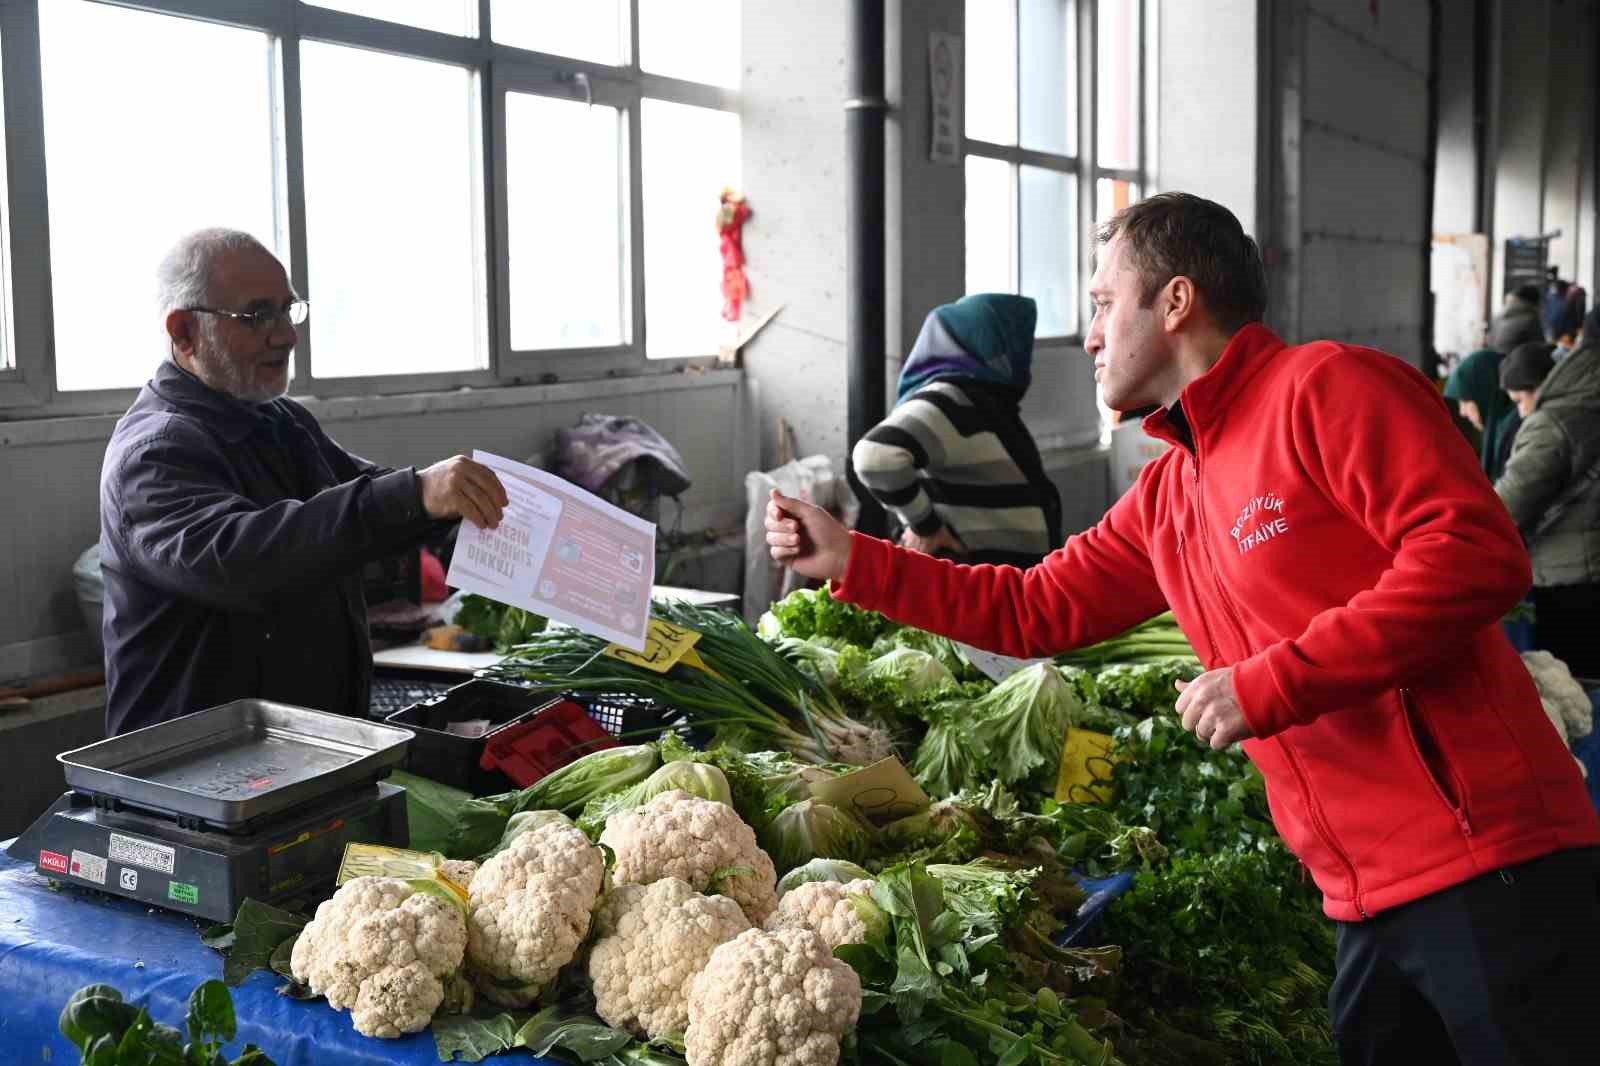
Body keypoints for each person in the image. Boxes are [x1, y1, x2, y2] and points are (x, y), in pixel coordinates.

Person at [766, 193, 1600, 1065]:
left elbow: (1475, 555)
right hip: (1361, 893)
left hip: (1488, 863)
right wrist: (854, 560)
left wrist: (1269, 681)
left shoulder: (1327, 388)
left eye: (1100, 303)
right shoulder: (1171, 491)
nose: (1088, 335)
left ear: (1174, 301)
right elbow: (1032, 609)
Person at [99, 228, 509, 736]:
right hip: (195, 771)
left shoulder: (278, 421)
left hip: (296, 751)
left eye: (287, 310)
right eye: (257, 316)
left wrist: (485, 520)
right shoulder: (155, 452)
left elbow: (374, 500)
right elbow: (245, 563)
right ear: (184, 331)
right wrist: (417, 494)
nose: (286, 335)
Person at [850, 293, 1062, 566]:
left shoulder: (984, 401)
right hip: (974, 590)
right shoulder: (948, 398)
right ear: (991, 342)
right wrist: (926, 526)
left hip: (1004, 589)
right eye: (1017, 343)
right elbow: (876, 455)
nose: (1024, 359)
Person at [1494, 339, 1600, 679]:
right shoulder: (1589, 402)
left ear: (1540, 385)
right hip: (1588, 563)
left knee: (1574, 681)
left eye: (1521, 400)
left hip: (1568, 574)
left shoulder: (1551, 424)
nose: (1521, 412)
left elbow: (1508, 505)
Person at [1442, 347, 1519, 481]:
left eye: (1464, 401)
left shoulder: (1515, 431)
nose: (1462, 412)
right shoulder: (1500, 432)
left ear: (1482, 391)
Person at [1490, 283, 1546, 353]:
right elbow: (1540, 347)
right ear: (1534, 302)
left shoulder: (1498, 316)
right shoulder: (1530, 319)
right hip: (1515, 361)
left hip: (1495, 360)